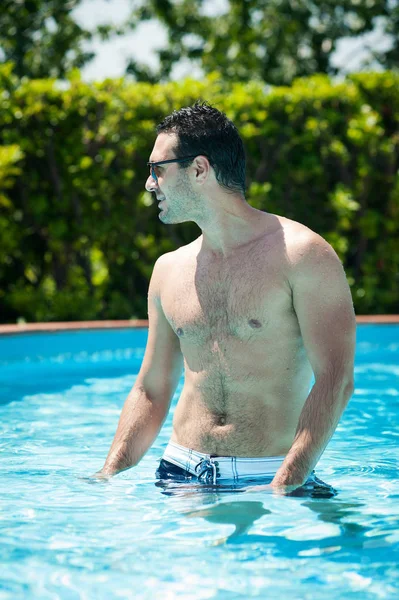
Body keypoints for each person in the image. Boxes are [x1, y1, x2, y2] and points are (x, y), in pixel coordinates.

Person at [94, 101, 356, 496]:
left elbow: (336, 380)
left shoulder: (302, 255)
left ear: (199, 169)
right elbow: (151, 387)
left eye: (157, 169)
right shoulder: (168, 269)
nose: (150, 183)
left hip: (270, 475)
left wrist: (286, 482)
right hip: (179, 474)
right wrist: (107, 475)